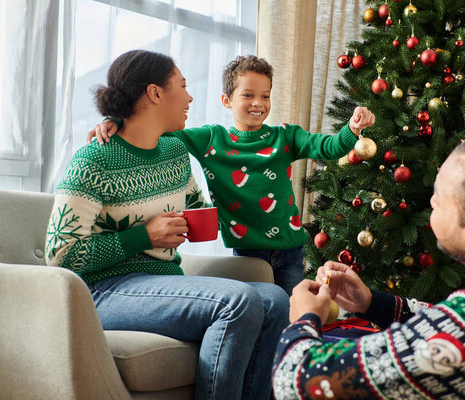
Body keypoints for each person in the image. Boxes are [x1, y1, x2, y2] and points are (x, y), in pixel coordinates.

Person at [45, 49, 289, 400]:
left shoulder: (173, 154)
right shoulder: (93, 159)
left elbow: (197, 211)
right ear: (155, 93)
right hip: (101, 291)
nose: (190, 97)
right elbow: (61, 256)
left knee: (274, 298)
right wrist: (143, 235)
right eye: (183, 86)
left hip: (161, 281)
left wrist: (250, 189)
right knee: (237, 301)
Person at [273, 134, 465, 399]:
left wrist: (304, 319)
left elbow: (296, 380)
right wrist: (373, 303)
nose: (430, 201)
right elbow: (449, 322)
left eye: (440, 199)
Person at [87, 55, 376, 296]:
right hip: (247, 251)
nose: (258, 103)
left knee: (291, 314)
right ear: (227, 101)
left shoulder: (286, 136)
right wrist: (115, 120)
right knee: (259, 313)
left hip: (291, 248)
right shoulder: (211, 139)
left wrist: (351, 129)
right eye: (248, 95)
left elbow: (328, 147)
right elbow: (157, 128)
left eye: (265, 96)